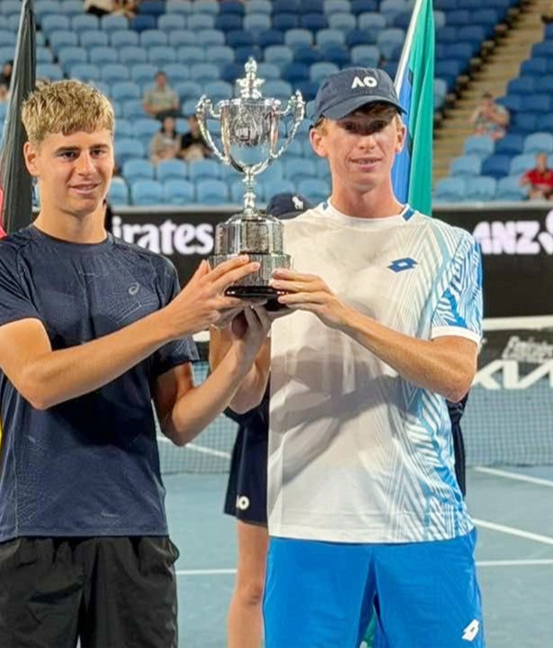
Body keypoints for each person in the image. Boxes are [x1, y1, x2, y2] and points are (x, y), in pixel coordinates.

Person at [0, 79, 267, 647]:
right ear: (33, 159)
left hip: (137, 532)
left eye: (98, 150)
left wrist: (244, 349)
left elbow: (180, 421)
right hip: (32, 535)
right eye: (68, 153)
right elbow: (40, 381)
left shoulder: (153, 273)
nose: (87, 168)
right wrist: (172, 321)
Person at [215, 67, 484, 647]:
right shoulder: (278, 242)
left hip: (424, 524)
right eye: (351, 125)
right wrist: (230, 329)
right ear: (320, 139)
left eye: (378, 124)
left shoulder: (450, 247)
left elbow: (456, 376)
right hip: (308, 520)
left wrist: (344, 315)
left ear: (400, 136)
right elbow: (244, 396)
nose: (366, 140)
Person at [218, 192, 313, 648]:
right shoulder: (245, 302)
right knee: (254, 583)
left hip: (320, 446)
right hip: (261, 442)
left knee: (313, 581)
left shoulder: (320, 300)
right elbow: (238, 397)